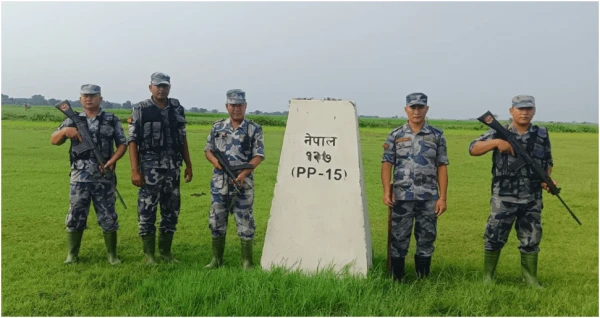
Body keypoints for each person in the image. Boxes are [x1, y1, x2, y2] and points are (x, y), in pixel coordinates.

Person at [469, 95, 553, 287]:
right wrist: (496, 143)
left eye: (529, 109)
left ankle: (530, 278)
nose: (525, 112)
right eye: (520, 109)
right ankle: (488, 277)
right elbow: (473, 148)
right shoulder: (500, 132)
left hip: (532, 196)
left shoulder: (541, 133)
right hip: (503, 196)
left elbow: (548, 161)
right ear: (511, 110)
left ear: (534, 110)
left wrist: (547, 179)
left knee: (531, 237)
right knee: (494, 236)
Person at [51, 84, 127, 265]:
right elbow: (53, 140)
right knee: (76, 213)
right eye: (85, 96)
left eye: (93, 95)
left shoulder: (111, 119)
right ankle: (72, 255)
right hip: (80, 177)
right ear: (80, 99)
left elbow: (122, 144)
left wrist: (112, 160)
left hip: (104, 175)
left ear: (100, 98)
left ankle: (112, 256)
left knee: (108, 215)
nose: (88, 99)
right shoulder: (72, 119)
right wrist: (64, 132)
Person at [381, 92, 449, 281]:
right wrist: (387, 191)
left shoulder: (437, 135)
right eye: (413, 107)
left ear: (426, 109)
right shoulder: (395, 135)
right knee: (399, 238)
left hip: (428, 197)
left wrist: (442, 197)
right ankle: (397, 279)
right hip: (401, 197)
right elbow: (387, 164)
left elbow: (442, 166)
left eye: (420, 107)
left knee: (426, 238)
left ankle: (423, 279)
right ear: (406, 109)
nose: (416, 111)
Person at [127, 72, 193, 264]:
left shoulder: (177, 108)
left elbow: (183, 138)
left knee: (171, 210)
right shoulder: (141, 108)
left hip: (173, 169)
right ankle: (149, 255)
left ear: (169, 87)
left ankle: (166, 253)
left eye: (165, 86)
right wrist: (134, 170)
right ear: (150, 88)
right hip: (149, 170)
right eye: (158, 86)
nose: (162, 89)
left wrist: (188, 164)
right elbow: (133, 141)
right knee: (147, 210)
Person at [204, 89, 265, 270]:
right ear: (227, 106)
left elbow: (259, 155)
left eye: (239, 105)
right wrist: (216, 163)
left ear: (245, 106)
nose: (236, 109)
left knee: (245, 220)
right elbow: (208, 150)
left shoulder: (254, 129)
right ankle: (216, 260)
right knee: (216, 220)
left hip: (243, 183)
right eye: (233, 105)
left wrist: (244, 173)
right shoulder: (217, 127)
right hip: (220, 183)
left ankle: (247, 262)